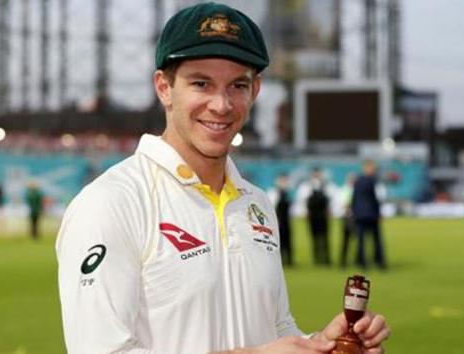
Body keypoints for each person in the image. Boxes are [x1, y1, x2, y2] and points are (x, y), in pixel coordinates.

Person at [56, 3, 390, 354]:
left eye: (237, 86)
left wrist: (322, 345)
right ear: (164, 88)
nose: (221, 105)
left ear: (255, 91)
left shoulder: (256, 203)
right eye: (201, 83)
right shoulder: (111, 203)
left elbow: (276, 327)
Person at [351, 160, 387, 270]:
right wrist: (379, 212)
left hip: (360, 214)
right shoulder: (375, 181)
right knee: (376, 239)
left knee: (362, 240)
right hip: (371, 214)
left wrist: (354, 211)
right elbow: (378, 198)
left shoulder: (357, 181)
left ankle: (363, 262)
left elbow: (354, 199)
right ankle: (379, 262)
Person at [306, 168, 331, 266]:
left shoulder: (325, 185)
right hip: (313, 215)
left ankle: (326, 258)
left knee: (324, 238)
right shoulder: (308, 186)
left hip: (322, 215)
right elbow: (305, 200)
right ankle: (317, 258)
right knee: (315, 238)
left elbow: (329, 199)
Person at [271, 174, 293, 266]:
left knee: (288, 241)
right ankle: (279, 260)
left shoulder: (288, 193)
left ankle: (289, 260)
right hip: (277, 221)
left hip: (286, 220)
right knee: (278, 242)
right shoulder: (273, 193)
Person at [339, 173, 356, 268]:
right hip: (347, 217)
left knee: (355, 240)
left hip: (354, 217)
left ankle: (357, 259)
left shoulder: (353, 189)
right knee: (346, 240)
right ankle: (343, 260)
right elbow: (344, 203)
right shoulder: (345, 189)